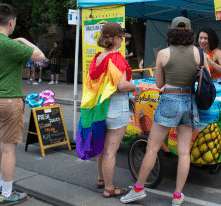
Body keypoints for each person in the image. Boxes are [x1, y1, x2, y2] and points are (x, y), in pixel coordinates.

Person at [121, 16, 208, 206]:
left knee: (152, 147)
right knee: (184, 152)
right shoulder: (199, 53)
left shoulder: (163, 54)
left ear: (172, 32)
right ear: (190, 33)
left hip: (170, 99)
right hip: (189, 102)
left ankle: (138, 189)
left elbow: (159, 83)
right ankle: (177, 196)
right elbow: (204, 79)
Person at [76, 22, 136, 198]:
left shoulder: (97, 59)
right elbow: (121, 85)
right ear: (116, 39)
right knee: (111, 151)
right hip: (116, 108)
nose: (122, 42)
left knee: (101, 148)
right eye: (121, 39)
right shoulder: (117, 58)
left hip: (99, 109)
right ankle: (109, 188)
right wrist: (135, 86)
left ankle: (102, 178)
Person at [0, 3, 45, 205]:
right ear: (11, 22)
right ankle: (7, 192)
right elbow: (41, 57)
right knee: (8, 150)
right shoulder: (10, 44)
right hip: (9, 101)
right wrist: (24, 40)